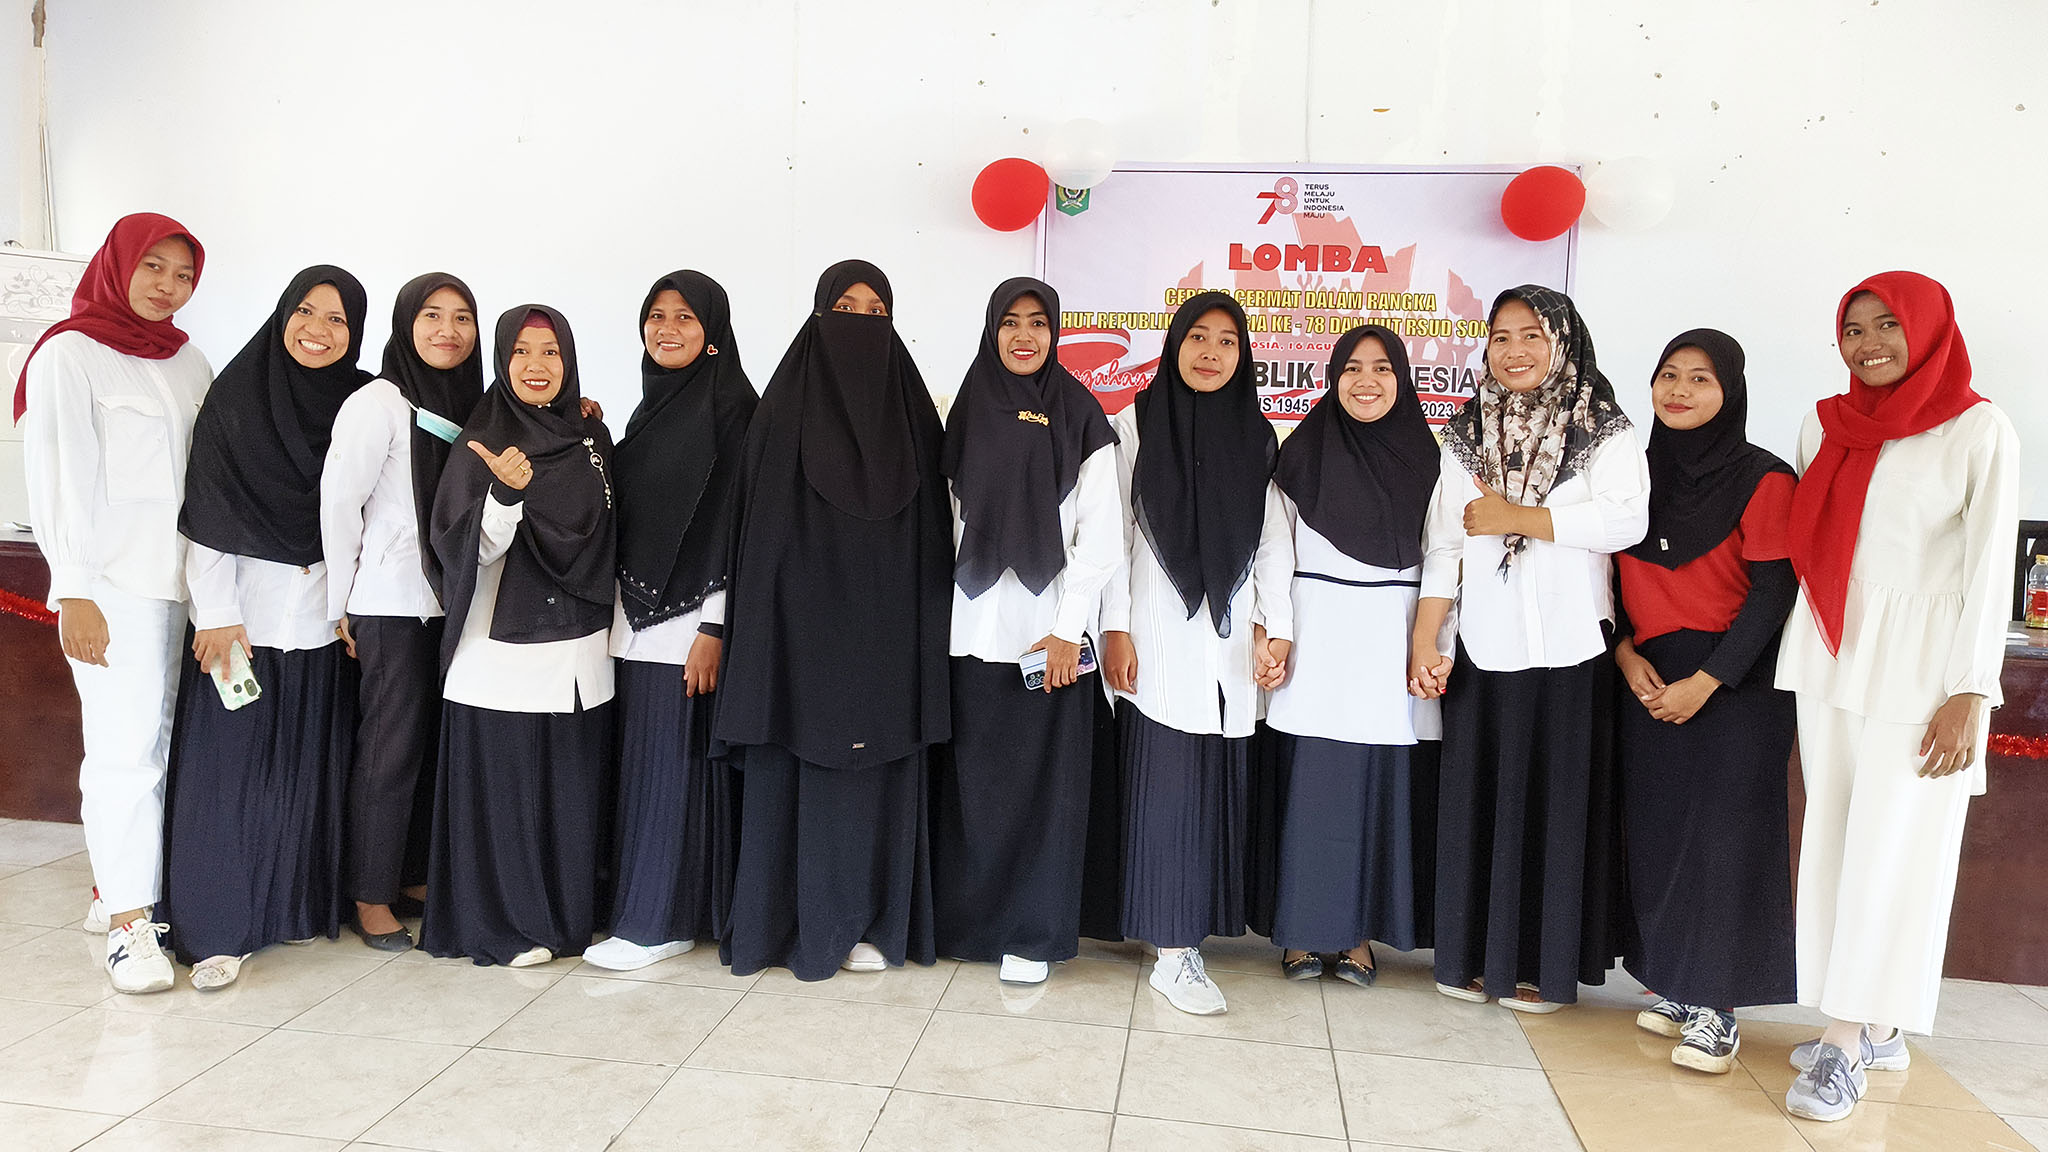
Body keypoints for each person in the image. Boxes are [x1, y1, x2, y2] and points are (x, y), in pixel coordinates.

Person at [1775, 272, 2017, 1122]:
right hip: (1832, 654)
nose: (1869, 342)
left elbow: (1991, 569)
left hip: (1923, 672)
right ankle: (1873, 1025)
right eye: (1853, 328)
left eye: (1887, 324)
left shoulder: (1978, 429)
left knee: (1897, 850)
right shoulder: (1823, 423)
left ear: (1928, 328)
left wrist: (1972, 690)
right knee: (1837, 841)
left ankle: (1842, 1042)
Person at [1410, 284, 1647, 1014]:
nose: (1514, 351)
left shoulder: (1603, 428)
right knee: (1480, 805)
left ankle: (1541, 969)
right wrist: (1426, 638)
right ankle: (1472, 956)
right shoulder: (1467, 431)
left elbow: (1626, 520)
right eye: (1501, 337)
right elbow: (1446, 544)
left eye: (1532, 335)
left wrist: (1521, 517)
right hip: (1485, 651)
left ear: (1562, 342)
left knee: (1554, 809)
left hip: (1572, 652)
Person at [715, 260, 951, 981]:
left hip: (889, 638)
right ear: (818, 315)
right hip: (796, 640)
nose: (861, 323)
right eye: (845, 307)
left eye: (876, 312)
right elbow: (753, 541)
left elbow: (937, 541)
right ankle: (782, 922)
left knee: (877, 773)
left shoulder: (915, 419)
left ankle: (874, 922)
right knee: (793, 770)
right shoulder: (778, 415)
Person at [163, 265, 372, 989]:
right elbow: (208, 510)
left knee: (302, 778)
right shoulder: (237, 399)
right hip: (242, 623)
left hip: (322, 626)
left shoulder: (361, 403)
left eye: (338, 320)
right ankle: (217, 929)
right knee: (231, 781)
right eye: (306, 311)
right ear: (283, 314)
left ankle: (286, 911)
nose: (319, 330)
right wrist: (216, 613)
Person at [17, 212, 208, 994]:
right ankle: (132, 928)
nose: (167, 286)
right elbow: (58, 475)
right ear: (117, 263)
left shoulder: (188, 362)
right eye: (153, 266)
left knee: (162, 749)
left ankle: (118, 889)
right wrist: (74, 589)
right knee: (123, 753)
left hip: (182, 589)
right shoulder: (69, 354)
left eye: (183, 275)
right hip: (112, 591)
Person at [1098, 291, 1292, 1016]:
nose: (1211, 353)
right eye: (1198, 337)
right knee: (1167, 788)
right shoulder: (1134, 425)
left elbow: (1270, 543)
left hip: (1231, 643)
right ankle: (1174, 951)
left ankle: (1184, 933)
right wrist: (1115, 626)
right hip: (1155, 637)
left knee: (1210, 791)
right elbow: (1112, 536)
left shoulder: (1257, 436)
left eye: (1228, 341)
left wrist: (1276, 626)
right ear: (1174, 343)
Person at [1612, 329, 1798, 1073]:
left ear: (1731, 392)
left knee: (1724, 842)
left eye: (1700, 379)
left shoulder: (1764, 477)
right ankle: (1675, 982)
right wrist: (1625, 654)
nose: (1680, 391)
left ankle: (1717, 1007)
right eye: (1668, 375)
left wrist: (1709, 680)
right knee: (1659, 833)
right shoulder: (1631, 473)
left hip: (1735, 681)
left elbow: (1773, 592)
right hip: (1648, 674)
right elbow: (1605, 579)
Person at [930, 277, 1119, 985]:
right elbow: (942, 525)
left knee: (1044, 793)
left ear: (1055, 332)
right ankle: (969, 926)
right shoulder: (964, 409)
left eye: (1038, 323)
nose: (1024, 336)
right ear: (992, 329)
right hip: (970, 628)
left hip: (1048, 638)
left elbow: (1101, 539)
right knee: (975, 788)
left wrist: (1069, 630)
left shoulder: (1081, 415)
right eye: (1010, 322)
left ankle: (1033, 937)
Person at [422, 306, 618, 968]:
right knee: (505, 799)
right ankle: (505, 928)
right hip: (498, 658)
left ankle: (565, 920)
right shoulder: (481, 441)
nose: (536, 366)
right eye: (522, 352)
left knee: (566, 795)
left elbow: (610, 531)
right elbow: (464, 555)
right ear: (502, 361)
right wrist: (505, 497)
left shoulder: (591, 438)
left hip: (579, 652)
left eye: (551, 352)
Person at [585, 271, 757, 971]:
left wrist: (714, 629)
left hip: (687, 630)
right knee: (647, 771)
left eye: (685, 316)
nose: (667, 328)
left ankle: (657, 923)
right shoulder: (649, 410)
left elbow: (736, 530)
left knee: (670, 772)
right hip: (633, 626)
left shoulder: (734, 410)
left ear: (712, 330)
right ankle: (657, 911)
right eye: (656, 315)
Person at [1261, 324, 1442, 987]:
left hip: (1393, 638)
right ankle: (1302, 931)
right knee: (1314, 787)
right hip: (1319, 638)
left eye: (1383, 368)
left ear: (1403, 380)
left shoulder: (1431, 461)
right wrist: (1277, 630)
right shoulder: (1301, 454)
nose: (1367, 381)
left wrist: (1434, 645)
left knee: (1377, 790)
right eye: (1353, 368)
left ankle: (1359, 933)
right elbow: (1273, 551)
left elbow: (1446, 561)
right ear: (1333, 378)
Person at [321, 273, 486, 952]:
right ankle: (370, 894)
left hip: (453, 605)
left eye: (462, 317)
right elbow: (339, 504)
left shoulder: (474, 405)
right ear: (405, 324)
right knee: (390, 751)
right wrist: (341, 605)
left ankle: (410, 873)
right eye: (432, 315)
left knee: (431, 748)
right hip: (391, 605)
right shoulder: (378, 403)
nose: (448, 330)